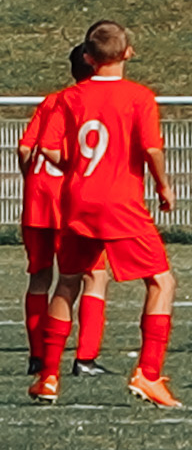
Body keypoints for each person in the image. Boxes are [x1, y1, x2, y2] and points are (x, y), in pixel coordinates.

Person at [29, 21, 179, 407]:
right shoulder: (138, 97)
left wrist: (75, 170)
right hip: (121, 203)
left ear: (88, 58)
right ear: (128, 52)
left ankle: (48, 376)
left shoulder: (68, 98)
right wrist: (163, 185)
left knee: (68, 282)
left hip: (78, 201)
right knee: (162, 282)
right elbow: (151, 149)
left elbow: (48, 149)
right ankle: (148, 373)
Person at [17, 43, 112, 378]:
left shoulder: (51, 101)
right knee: (93, 275)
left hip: (37, 198)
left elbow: (26, 147)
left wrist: (32, 182)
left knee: (40, 276)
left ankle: (37, 357)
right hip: (73, 199)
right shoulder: (94, 101)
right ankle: (85, 357)